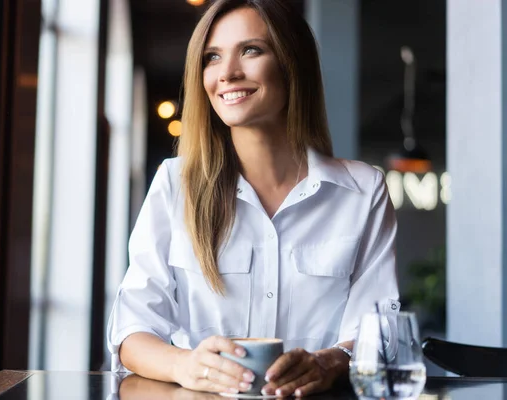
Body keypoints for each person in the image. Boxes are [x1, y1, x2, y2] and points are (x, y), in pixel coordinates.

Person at [107, 0, 400, 397]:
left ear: (291, 64)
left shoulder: (363, 192)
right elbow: (131, 332)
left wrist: (328, 362)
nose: (227, 73)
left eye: (251, 50)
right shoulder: (175, 184)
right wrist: (186, 366)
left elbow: (377, 333)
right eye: (212, 57)